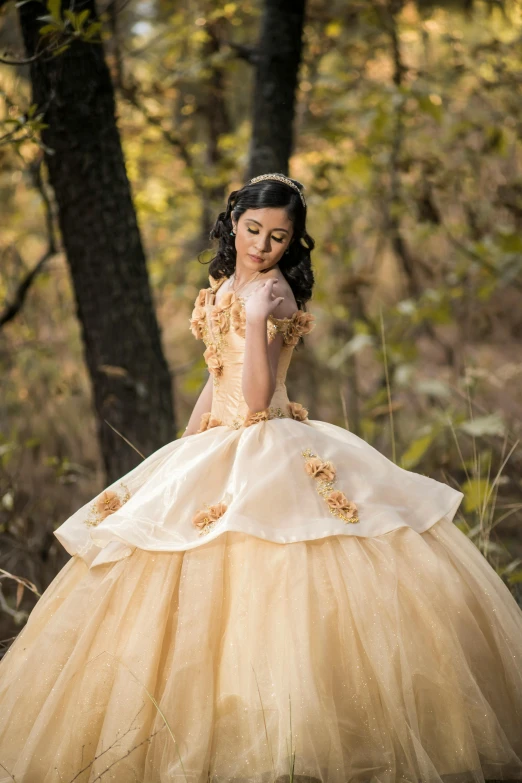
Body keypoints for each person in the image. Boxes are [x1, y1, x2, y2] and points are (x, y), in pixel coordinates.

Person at [0, 173, 521, 783]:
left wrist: (254, 320)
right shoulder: (226, 283)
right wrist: (188, 442)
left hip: (266, 436)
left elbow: (254, 397)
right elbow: (216, 374)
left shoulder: (273, 294)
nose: (263, 245)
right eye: (253, 230)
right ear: (234, 223)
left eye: (279, 237)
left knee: (273, 572)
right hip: (220, 440)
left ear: (294, 242)